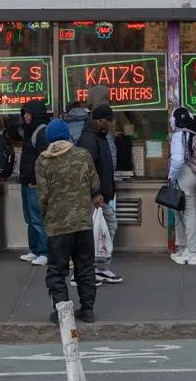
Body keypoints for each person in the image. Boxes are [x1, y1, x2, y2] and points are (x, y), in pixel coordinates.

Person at [35, 119, 101, 322]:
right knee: (85, 267)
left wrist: (47, 214)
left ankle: (63, 313)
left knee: (56, 270)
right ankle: (87, 310)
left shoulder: (43, 161)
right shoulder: (83, 155)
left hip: (58, 226)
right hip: (83, 223)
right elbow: (95, 184)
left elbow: (43, 196)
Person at [72, 103, 123, 283]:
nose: (110, 123)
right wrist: (95, 192)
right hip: (94, 197)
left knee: (105, 228)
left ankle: (99, 267)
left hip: (101, 195)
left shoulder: (99, 136)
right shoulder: (89, 139)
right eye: (108, 120)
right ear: (99, 120)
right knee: (95, 232)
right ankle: (86, 270)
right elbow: (87, 169)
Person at [166, 107, 196, 266]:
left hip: (185, 177)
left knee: (187, 214)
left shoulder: (179, 135)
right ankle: (184, 248)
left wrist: (171, 177)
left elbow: (177, 160)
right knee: (181, 212)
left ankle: (191, 253)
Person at [16, 100, 53, 266]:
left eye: (28, 113)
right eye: (24, 113)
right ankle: (35, 250)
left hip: (34, 183)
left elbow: (43, 159)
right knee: (30, 218)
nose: (26, 116)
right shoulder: (31, 130)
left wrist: (34, 180)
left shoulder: (41, 132)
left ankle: (44, 251)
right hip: (27, 181)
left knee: (38, 218)